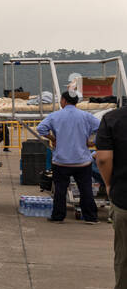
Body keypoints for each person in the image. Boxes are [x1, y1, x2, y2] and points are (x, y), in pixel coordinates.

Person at [37, 92, 101, 224]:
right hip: (82, 161)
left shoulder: (55, 116)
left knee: (60, 190)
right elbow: (103, 128)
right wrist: (92, 143)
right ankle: (91, 217)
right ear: (76, 101)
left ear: (64, 100)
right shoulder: (86, 116)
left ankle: (58, 216)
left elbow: (41, 128)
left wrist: (53, 138)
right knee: (86, 189)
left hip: (61, 161)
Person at [94, 105, 127, 289]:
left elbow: (104, 158)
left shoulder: (113, 119)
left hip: (124, 197)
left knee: (124, 255)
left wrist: (108, 185)